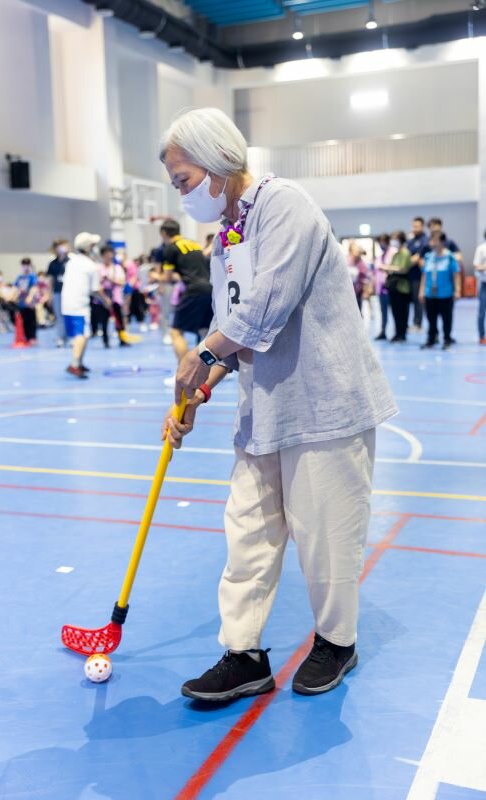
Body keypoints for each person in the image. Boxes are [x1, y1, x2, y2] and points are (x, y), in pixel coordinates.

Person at [159, 107, 397, 702]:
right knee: (247, 532)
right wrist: (197, 392)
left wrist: (203, 356)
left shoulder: (284, 205)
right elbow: (228, 321)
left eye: (184, 180)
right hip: (263, 407)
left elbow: (265, 306)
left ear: (216, 163)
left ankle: (336, 641)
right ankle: (245, 655)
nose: (183, 195)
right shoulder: (226, 239)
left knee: (325, 534)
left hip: (324, 403)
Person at [157, 218, 213, 387]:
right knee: (206, 332)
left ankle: (183, 373)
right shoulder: (194, 244)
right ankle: (213, 370)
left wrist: (155, 277)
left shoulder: (170, 248)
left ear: (164, 234)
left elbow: (167, 278)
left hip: (193, 291)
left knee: (175, 332)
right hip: (209, 289)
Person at [61, 232, 106, 378]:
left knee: (79, 335)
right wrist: (107, 301)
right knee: (82, 335)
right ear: (88, 247)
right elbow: (96, 289)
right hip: (79, 305)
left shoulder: (71, 262)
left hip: (66, 304)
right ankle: (74, 365)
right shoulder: (90, 265)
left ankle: (79, 362)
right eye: (93, 245)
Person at [419, 231, 461, 350]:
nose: (431, 242)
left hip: (445, 293)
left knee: (446, 318)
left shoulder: (450, 257)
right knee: (431, 318)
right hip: (429, 293)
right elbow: (424, 275)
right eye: (431, 240)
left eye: (434, 240)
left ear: (442, 242)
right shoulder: (428, 256)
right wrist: (421, 291)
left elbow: (456, 274)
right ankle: (431, 339)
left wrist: (457, 290)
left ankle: (447, 339)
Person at [382, 231, 412, 342]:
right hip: (393, 287)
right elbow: (392, 267)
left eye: (395, 239)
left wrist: (387, 268)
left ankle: (402, 334)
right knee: (395, 312)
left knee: (402, 312)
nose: (393, 241)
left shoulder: (405, 253)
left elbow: (403, 269)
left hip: (402, 287)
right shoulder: (395, 254)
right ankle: (397, 333)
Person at [406, 217, 428, 332]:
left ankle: (418, 323)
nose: (415, 228)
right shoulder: (410, 241)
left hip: (419, 276)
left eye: (417, 226)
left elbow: (417, 258)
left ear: (422, 226)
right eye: (413, 226)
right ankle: (411, 322)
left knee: (417, 300)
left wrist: (405, 262)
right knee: (409, 300)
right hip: (409, 275)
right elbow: (405, 253)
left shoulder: (425, 240)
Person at [372, 234, 396, 341]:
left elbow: (395, 268)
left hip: (392, 287)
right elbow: (376, 272)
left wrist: (385, 267)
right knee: (383, 311)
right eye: (380, 242)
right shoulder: (379, 256)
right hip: (381, 288)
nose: (381, 244)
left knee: (395, 311)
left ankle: (397, 332)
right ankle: (383, 331)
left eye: (383, 241)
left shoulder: (394, 253)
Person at [47, 240, 69, 347]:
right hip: (57, 292)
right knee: (59, 316)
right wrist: (49, 294)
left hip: (69, 293)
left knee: (68, 315)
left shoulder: (70, 261)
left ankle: (70, 337)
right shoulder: (52, 264)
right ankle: (60, 338)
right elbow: (50, 280)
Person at [14, 258, 38, 344]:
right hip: (21, 303)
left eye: (27, 265)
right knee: (23, 320)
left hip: (30, 303)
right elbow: (15, 288)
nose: (26, 267)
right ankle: (25, 336)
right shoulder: (19, 277)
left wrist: (30, 297)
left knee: (31, 320)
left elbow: (34, 287)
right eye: (24, 265)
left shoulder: (32, 276)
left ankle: (32, 337)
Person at [346, 241, 369, 311]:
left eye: (357, 249)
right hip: (347, 293)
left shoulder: (362, 263)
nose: (357, 251)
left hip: (357, 293)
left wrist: (366, 292)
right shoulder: (346, 260)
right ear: (351, 251)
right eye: (355, 249)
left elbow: (365, 279)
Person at [473, 229, 486, 345]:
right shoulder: (481, 249)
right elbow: (476, 266)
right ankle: (482, 336)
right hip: (484, 285)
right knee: (482, 312)